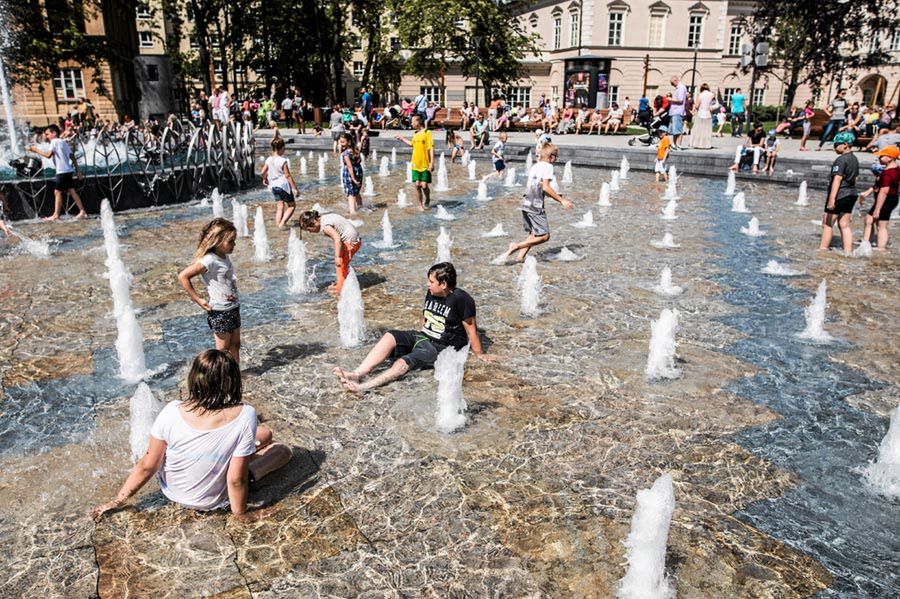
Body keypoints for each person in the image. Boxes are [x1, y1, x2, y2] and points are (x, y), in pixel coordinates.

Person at [91, 350, 291, 520]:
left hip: (172, 492)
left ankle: (229, 457)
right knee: (281, 450)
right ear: (232, 381)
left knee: (263, 434)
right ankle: (247, 465)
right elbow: (235, 480)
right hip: (211, 500)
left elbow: (147, 466)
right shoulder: (245, 414)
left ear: (194, 378)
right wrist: (241, 514)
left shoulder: (171, 410)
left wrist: (118, 500)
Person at [333, 262, 495, 394]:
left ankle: (364, 387)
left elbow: (471, 329)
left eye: (431, 282)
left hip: (441, 347)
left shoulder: (462, 299)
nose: (427, 284)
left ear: (443, 284)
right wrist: (415, 335)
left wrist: (480, 354)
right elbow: (425, 315)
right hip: (423, 336)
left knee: (404, 361)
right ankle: (357, 374)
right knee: (391, 335)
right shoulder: (431, 293)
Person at [178, 218, 242, 363]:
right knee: (222, 351)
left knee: (235, 345)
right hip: (220, 310)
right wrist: (198, 299)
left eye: (234, 240)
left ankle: (236, 374)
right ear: (218, 241)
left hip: (233, 307)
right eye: (231, 241)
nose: (234, 244)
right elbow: (183, 276)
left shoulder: (224, 256)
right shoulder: (209, 260)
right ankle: (222, 378)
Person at [500, 143, 573, 263]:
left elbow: (539, 187)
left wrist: (556, 197)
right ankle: (516, 246)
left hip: (525, 203)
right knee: (544, 236)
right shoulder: (548, 167)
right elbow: (545, 187)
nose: (556, 160)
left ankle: (520, 257)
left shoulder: (535, 166)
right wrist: (562, 200)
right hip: (535, 205)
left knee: (533, 233)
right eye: (556, 157)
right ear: (550, 156)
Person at [27, 124, 87, 221]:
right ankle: (82, 211)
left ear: (54, 133)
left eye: (47, 134)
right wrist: (78, 171)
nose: (46, 136)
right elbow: (72, 156)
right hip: (68, 170)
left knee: (57, 191)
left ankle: (56, 215)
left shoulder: (54, 142)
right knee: (72, 191)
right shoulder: (63, 142)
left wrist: (36, 150)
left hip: (62, 172)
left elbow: (48, 155)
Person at [298, 209, 361, 293]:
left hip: (351, 241)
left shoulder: (325, 227)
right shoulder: (324, 218)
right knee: (343, 264)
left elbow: (337, 239)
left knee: (340, 264)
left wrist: (337, 256)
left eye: (309, 229)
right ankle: (342, 283)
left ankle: (341, 289)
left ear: (314, 222)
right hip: (354, 239)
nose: (310, 232)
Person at [818, 132, 859, 253]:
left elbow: (837, 179)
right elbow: (855, 178)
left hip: (840, 194)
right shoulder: (854, 159)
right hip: (851, 194)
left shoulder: (841, 160)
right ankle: (848, 251)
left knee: (827, 223)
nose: (834, 147)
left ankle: (823, 249)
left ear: (845, 144)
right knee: (844, 225)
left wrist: (832, 199)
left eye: (837, 144)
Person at [858, 145, 899, 250]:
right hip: (891, 199)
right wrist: (868, 192)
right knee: (869, 219)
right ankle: (866, 242)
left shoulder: (888, 174)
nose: (878, 158)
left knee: (881, 225)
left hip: (886, 200)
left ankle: (881, 248)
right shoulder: (894, 169)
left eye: (881, 156)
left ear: (889, 158)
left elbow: (883, 192)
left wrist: (877, 209)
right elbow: (879, 185)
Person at [395, 114, 434, 211]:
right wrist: (402, 138)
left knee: (424, 185)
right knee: (417, 185)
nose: (411, 123)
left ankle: (428, 198)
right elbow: (412, 144)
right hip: (415, 164)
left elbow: (431, 148)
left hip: (425, 164)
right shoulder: (415, 134)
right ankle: (420, 205)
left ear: (418, 122)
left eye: (412, 121)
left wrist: (432, 162)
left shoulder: (427, 132)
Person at [260, 137, 299, 229]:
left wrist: (265, 178)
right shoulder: (282, 161)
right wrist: (294, 188)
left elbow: (262, 172)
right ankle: (282, 223)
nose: (284, 150)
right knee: (292, 206)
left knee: (280, 207)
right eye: (284, 148)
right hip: (283, 185)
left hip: (273, 186)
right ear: (281, 148)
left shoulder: (269, 159)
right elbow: (288, 176)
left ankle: (278, 225)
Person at [339, 132, 364, 215]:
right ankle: (361, 207)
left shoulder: (346, 154)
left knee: (350, 193)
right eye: (340, 141)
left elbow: (349, 167)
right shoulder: (355, 149)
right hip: (359, 171)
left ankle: (352, 212)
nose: (341, 143)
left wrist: (353, 179)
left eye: (342, 142)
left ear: (348, 142)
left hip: (350, 174)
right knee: (356, 192)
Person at [690, 83, 714, 149]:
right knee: (707, 130)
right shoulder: (712, 95)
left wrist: (695, 110)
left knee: (699, 130)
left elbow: (697, 105)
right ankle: (707, 145)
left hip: (700, 114)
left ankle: (697, 144)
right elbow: (715, 104)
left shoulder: (700, 95)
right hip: (708, 114)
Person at [668, 76, 687, 149]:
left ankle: (678, 144)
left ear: (676, 80)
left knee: (678, 129)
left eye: (672, 83)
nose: (672, 85)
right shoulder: (678, 88)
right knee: (674, 129)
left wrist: (670, 99)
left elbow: (680, 100)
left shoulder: (681, 88)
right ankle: (674, 144)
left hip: (677, 111)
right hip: (675, 111)